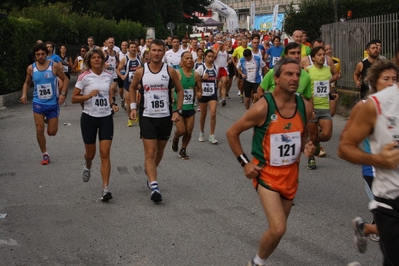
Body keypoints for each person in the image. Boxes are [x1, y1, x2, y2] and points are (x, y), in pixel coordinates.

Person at [226, 58, 314, 266]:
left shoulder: (305, 106)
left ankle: (258, 261)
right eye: (289, 74)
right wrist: (245, 163)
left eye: (297, 74)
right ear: (276, 78)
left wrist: (308, 146)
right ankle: (257, 263)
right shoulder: (263, 107)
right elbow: (232, 133)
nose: (294, 78)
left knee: (278, 231)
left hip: (291, 176)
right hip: (266, 175)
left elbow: (303, 137)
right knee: (278, 228)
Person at [338, 64, 399, 266]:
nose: (391, 83)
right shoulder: (367, 106)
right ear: (374, 83)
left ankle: (364, 228)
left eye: (394, 78)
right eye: (386, 79)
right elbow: (346, 141)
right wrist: (377, 157)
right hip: (377, 176)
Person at [129, 39, 183, 203]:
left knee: (159, 152)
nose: (157, 53)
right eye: (154, 50)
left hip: (165, 116)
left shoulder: (170, 71)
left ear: (164, 52)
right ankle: (154, 185)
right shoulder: (141, 71)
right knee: (150, 153)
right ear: (149, 52)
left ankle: (150, 172)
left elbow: (180, 91)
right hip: (147, 116)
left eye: (160, 50)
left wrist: (177, 110)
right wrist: (132, 107)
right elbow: (132, 87)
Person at [71, 48, 119, 202]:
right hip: (89, 117)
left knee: (105, 153)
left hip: (105, 117)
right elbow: (74, 98)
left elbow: (109, 95)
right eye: (94, 58)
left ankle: (105, 189)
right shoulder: (84, 77)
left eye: (99, 58)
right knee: (90, 154)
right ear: (89, 60)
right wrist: (88, 95)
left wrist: (113, 104)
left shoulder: (109, 75)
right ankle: (88, 164)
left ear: (103, 60)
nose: (97, 60)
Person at [20, 43, 69, 165]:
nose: (40, 56)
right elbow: (26, 83)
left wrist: (62, 94)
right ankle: (45, 154)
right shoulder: (31, 68)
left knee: (52, 132)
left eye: (43, 54)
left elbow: (65, 79)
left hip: (52, 103)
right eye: (38, 54)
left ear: (46, 55)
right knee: (39, 129)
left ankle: (48, 121)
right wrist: (24, 94)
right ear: (35, 56)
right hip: (38, 103)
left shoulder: (54, 66)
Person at [306, 47, 334, 170]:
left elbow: (328, 85)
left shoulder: (328, 70)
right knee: (312, 135)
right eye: (319, 55)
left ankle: (316, 143)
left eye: (323, 54)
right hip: (312, 107)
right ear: (313, 58)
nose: (322, 57)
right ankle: (311, 158)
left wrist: (332, 94)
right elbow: (303, 88)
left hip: (325, 106)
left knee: (327, 135)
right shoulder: (307, 70)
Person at [171, 52, 202, 159]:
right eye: (187, 58)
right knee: (181, 130)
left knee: (189, 131)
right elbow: (171, 87)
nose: (189, 60)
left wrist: (199, 94)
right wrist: (172, 95)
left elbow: (199, 89)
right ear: (182, 60)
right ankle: (175, 138)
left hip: (189, 107)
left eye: (191, 58)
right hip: (177, 107)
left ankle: (183, 149)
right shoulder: (177, 73)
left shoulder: (196, 75)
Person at [195, 49, 219, 144]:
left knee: (213, 113)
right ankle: (201, 132)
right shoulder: (201, 68)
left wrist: (219, 83)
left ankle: (212, 135)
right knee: (203, 114)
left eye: (212, 57)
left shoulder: (216, 67)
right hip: (203, 93)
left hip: (213, 93)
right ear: (205, 57)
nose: (210, 58)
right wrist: (201, 78)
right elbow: (195, 80)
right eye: (209, 56)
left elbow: (217, 79)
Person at [117, 41, 142, 127]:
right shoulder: (125, 59)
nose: (133, 49)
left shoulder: (140, 58)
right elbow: (117, 70)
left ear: (137, 48)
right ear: (128, 49)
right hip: (128, 82)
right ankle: (129, 118)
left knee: (138, 101)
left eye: (134, 47)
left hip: (137, 83)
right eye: (131, 47)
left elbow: (145, 68)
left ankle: (136, 112)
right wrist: (121, 76)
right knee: (128, 102)